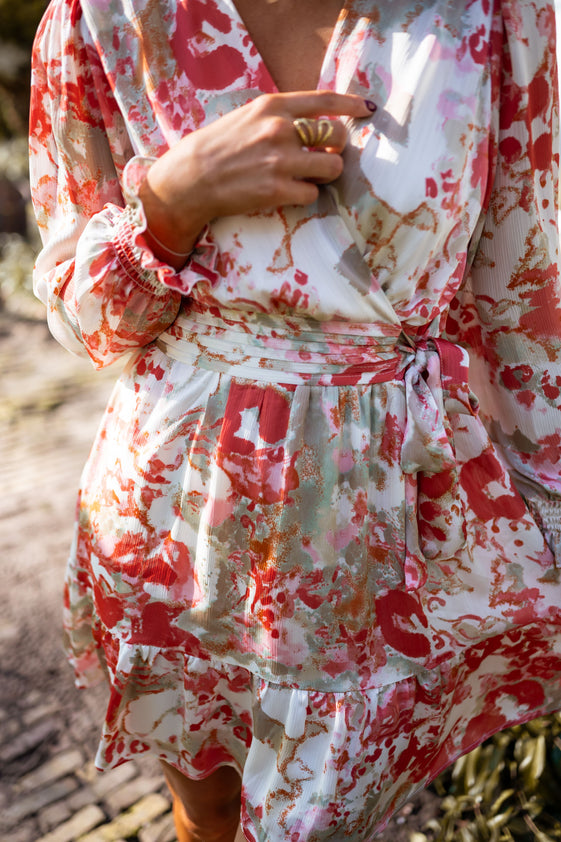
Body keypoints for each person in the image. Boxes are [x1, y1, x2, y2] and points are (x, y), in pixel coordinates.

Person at [29, 0, 561, 840]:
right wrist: (169, 203)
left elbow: (526, 289)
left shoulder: (493, 16)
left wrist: (543, 500)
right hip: (176, 511)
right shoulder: (103, 16)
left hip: (379, 512)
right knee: (204, 811)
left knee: (321, 821)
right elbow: (87, 323)